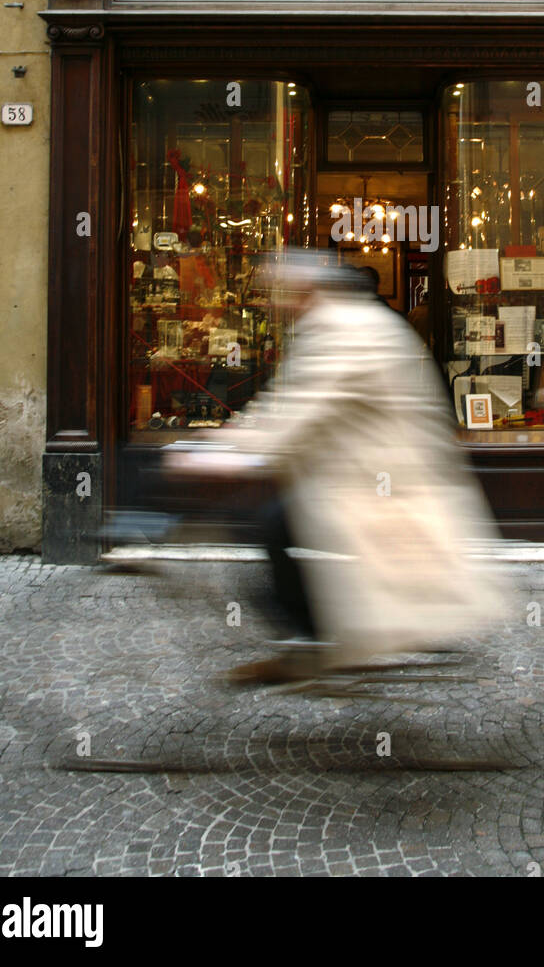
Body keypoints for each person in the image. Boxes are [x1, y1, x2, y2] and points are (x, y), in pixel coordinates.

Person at [180, 250, 507, 683]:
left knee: (274, 523)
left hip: (375, 478)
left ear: (307, 292)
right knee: (281, 523)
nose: (280, 304)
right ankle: (320, 637)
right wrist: (233, 442)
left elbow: (302, 413)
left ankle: (311, 644)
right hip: (356, 467)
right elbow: (288, 405)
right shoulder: (336, 324)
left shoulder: (343, 331)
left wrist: (229, 455)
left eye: (286, 294)